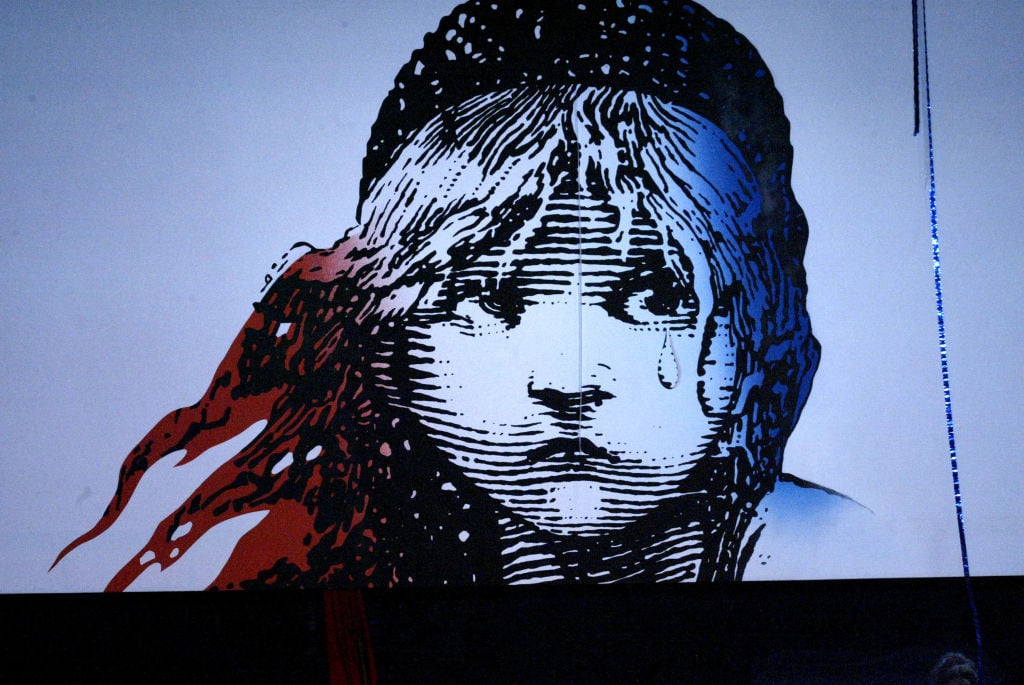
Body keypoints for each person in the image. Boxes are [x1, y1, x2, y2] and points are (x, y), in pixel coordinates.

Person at [53, 0, 869, 589]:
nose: (571, 380)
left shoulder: (853, 557)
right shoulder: (317, 576)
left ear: (758, 317)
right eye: (488, 296)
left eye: (652, 294)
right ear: (384, 336)